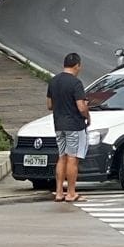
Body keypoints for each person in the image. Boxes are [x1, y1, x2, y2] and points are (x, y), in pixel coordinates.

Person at [46, 51, 89, 204]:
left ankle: (59, 192)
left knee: (62, 157)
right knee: (72, 158)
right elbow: (81, 107)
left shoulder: (54, 81)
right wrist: (87, 117)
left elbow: (49, 105)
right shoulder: (76, 83)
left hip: (59, 125)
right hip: (74, 126)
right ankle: (71, 193)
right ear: (77, 66)